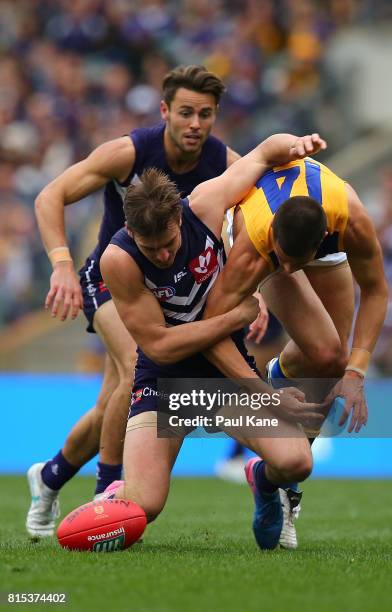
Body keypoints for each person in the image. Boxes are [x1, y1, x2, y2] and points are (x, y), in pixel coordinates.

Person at [27, 65, 268, 538]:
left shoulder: (223, 161)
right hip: (112, 280)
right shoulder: (129, 152)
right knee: (141, 358)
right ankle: (108, 490)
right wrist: (60, 264)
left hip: (169, 294)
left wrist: (251, 286)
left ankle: (50, 475)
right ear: (165, 112)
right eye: (185, 113)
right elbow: (49, 196)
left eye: (205, 114)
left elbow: (253, 215)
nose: (195, 123)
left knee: (108, 408)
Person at [99, 132, 327, 551]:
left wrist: (296, 144)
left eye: (168, 244)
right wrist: (234, 317)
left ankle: (261, 479)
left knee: (297, 462)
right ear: (130, 229)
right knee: (144, 507)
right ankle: (112, 495)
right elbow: (161, 347)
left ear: (179, 217)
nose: (163, 256)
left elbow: (261, 154)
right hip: (166, 382)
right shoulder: (119, 260)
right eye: (151, 249)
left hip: (222, 376)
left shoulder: (204, 203)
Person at [198, 154, 388, 547]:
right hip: (259, 230)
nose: (287, 271)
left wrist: (356, 373)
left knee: (333, 361)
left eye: (294, 262)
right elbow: (210, 330)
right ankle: (286, 475)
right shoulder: (257, 245)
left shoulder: (350, 219)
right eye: (281, 261)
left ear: (320, 243)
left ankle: (278, 480)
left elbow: (376, 290)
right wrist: (253, 393)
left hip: (320, 227)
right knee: (324, 350)